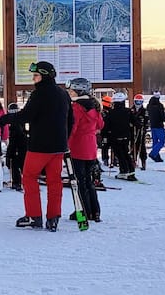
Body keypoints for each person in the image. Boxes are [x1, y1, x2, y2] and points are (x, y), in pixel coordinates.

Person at [0, 61, 72, 232]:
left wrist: (6, 119)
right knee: (54, 181)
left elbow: (26, 115)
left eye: (36, 75)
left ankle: (34, 215)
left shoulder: (39, 94)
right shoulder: (63, 94)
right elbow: (71, 119)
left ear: (44, 76)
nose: (33, 79)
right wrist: (65, 139)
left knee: (29, 178)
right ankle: (53, 217)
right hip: (59, 146)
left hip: (40, 145)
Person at [66, 78, 103, 223]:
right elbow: (100, 124)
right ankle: (95, 211)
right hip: (90, 148)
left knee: (79, 181)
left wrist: (65, 144)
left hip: (77, 148)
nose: (69, 93)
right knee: (88, 180)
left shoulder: (76, 107)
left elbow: (72, 128)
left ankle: (83, 211)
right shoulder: (93, 106)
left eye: (71, 91)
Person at [105, 92, 137, 181]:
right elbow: (135, 122)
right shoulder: (128, 111)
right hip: (126, 136)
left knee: (120, 154)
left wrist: (105, 134)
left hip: (114, 137)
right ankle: (131, 170)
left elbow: (106, 126)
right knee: (126, 153)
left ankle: (124, 171)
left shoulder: (110, 112)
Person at [5, 103, 28, 191]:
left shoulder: (11, 120)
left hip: (15, 143)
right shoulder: (21, 119)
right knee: (21, 162)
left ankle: (17, 182)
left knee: (14, 161)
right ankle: (21, 181)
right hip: (23, 142)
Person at [146, 92, 165, 163]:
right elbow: (163, 116)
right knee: (162, 141)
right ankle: (153, 153)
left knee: (155, 142)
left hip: (152, 126)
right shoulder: (159, 105)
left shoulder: (149, 105)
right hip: (159, 126)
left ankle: (157, 157)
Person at [131, 94, 149, 170]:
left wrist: (144, 125)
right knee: (133, 145)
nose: (138, 104)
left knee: (142, 146)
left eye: (140, 102)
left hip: (141, 131)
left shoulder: (144, 111)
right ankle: (133, 161)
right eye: (137, 102)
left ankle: (143, 162)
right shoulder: (131, 110)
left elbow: (147, 120)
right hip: (133, 131)